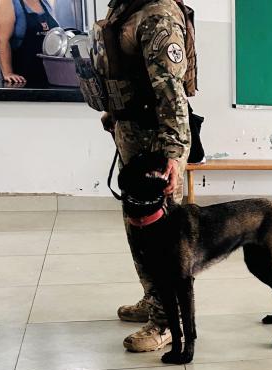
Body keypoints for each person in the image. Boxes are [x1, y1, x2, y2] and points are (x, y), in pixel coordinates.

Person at [81, 0, 196, 352]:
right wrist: (116, 115)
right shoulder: (126, 9)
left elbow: (171, 93)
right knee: (139, 230)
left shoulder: (158, 14)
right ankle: (154, 298)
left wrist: (173, 154)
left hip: (156, 146)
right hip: (133, 136)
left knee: (163, 242)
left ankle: (167, 322)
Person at [0, 0, 58, 86]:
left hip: (49, 79)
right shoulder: (7, 2)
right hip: (22, 81)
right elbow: (2, 41)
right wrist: (8, 73)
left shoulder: (44, 3)